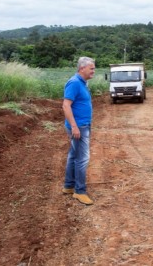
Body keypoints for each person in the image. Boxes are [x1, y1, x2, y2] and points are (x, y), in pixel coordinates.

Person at [62, 57, 96, 205]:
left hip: (82, 125)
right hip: (79, 127)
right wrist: (75, 126)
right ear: (82, 68)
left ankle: (69, 186)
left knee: (73, 155)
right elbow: (66, 106)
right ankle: (79, 191)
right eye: (91, 68)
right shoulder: (75, 83)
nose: (93, 71)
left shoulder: (82, 82)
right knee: (82, 159)